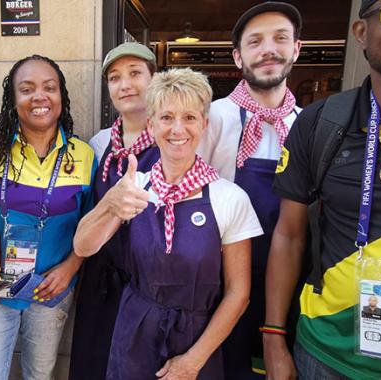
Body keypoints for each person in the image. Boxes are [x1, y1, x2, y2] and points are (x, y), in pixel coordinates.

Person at [264, 0, 381, 378]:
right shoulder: (320, 122)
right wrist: (273, 338)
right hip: (327, 353)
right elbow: (289, 235)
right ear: (361, 33)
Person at [74, 68, 262, 379]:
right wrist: (109, 204)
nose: (178, 129)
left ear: (204, 124)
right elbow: (83, 245)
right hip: (134, 331)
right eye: (166, 117)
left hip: (199, 337)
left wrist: (193, 360)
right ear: (151, 125)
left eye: (189, 118)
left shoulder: (230, 198)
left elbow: (238, 292)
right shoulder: (135, 189)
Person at [0, 54, 96, 380]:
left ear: (62, 98)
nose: (39, 97)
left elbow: (93, 224)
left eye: (49, 88)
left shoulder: (83, 156)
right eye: (26, 89)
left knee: (39, 375)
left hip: (51, 287)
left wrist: (71, 267)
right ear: (13, 99)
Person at [196, 2, 302, 378]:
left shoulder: (309, 124)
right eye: (255, 42)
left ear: (296, 49)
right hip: (222, 276)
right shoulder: (214, 118)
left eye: (280, 38)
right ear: (239, 57)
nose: (268, 49)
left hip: (290, 278)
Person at [69, 42, 160, 380]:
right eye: (114, 78)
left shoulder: (173, 138)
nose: (125, 85)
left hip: (150, 284)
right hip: (101, 283)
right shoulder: (100, 143)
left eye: (136, 73)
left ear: (155, 79)